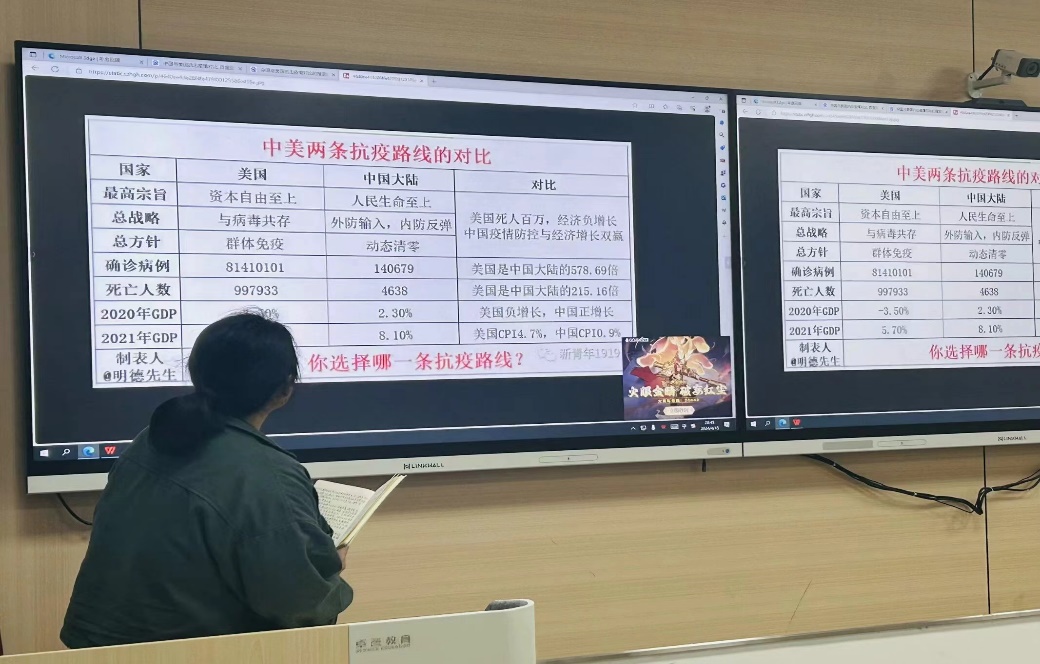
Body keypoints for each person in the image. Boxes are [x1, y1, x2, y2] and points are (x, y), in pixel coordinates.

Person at [61, 313, 352, 648]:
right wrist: (329, 570)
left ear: (196, 373)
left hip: (91, 649)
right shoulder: (267, 475)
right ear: (285, 389)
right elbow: (303, 609)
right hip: (179, 654)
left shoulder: (151, 439)